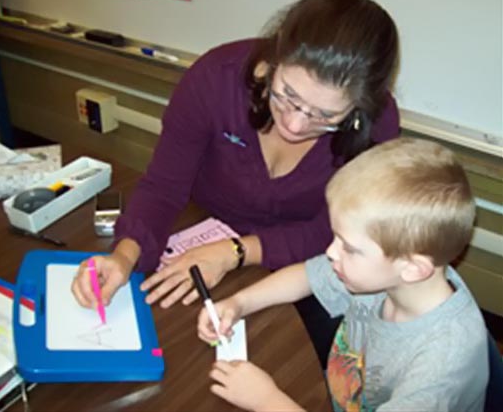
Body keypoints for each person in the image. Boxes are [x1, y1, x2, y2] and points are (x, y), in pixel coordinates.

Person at [71, 0, 399, 364]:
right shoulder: (216, 78)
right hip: (200, 233)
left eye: (324, 116)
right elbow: (164, 186)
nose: (293, 124)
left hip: (299, 270)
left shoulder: (378, 126)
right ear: (274, 60)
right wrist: (124, 257)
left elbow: (330, 234)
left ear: (359, 108)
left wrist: (235, 253)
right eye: (286, 94)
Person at [198, 137, 489, 412]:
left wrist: (267, 401)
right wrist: (239, 304)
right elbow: (305, 277)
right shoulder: (389, 272)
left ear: (413, 268)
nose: (331, 252)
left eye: (348, 247)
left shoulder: (441, 365)